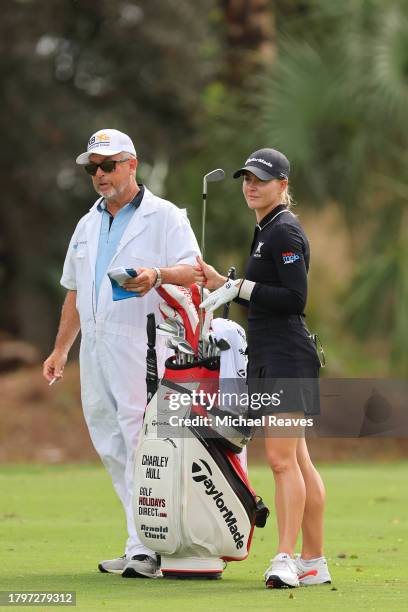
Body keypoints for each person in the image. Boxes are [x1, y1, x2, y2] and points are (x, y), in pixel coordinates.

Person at [43, 129, 200, 578]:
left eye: (108, 165)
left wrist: (157, 275)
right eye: (93, 167)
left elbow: (194, 271)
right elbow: (75, 292)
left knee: (140, 441)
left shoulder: (165, 215)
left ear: (132, 164)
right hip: (93, 346)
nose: (99, 175)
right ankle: (139, 542)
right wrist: (60, 350)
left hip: (144, 342)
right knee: (110, 441)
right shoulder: (87, 223)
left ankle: (150, 547)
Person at [196, 148, 331, 589]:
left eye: (261, 179)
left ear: (283, 186)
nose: (250, 185)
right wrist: (225, 284)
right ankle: (314, 560)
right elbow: (262, 292)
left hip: (286, 357)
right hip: (273, 354)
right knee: (299, 461)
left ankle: (286, 558)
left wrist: (241, 287)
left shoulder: (283, 231)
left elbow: (294, 300)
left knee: (280, 461)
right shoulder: (266, 230)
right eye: (246, 179)